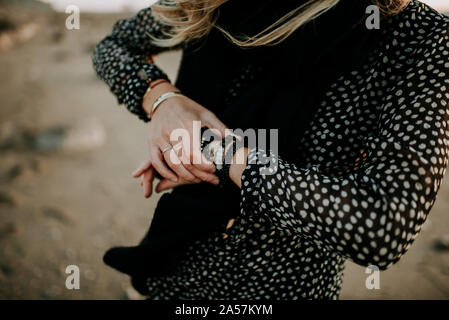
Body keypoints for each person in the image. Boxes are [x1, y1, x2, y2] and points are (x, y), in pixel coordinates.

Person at [93, 0, 449, 299]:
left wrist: (214, 149)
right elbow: (114, 45)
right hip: (173, 257)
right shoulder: (212, 2)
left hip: (281, 285)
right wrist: (163, 100)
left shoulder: (420, 39)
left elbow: (383, 227)